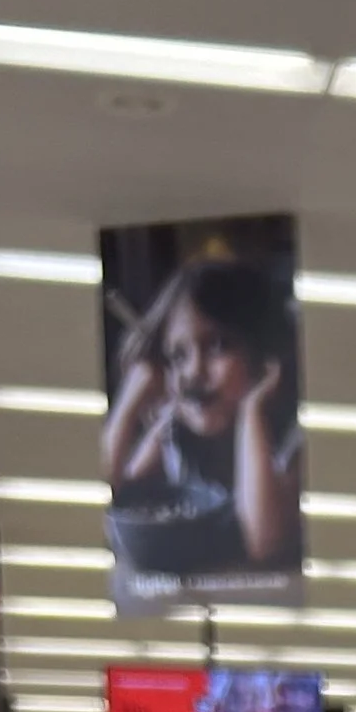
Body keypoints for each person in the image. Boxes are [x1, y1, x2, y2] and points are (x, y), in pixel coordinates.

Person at [103, 252, 301, 594]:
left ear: (262, 351)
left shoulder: (290, 439)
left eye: (218, 346)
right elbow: (112, 498)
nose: (193, 372)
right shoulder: (174, 429)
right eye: (178, 356)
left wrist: (252, 413)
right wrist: (129, 402)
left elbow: (264, 543)